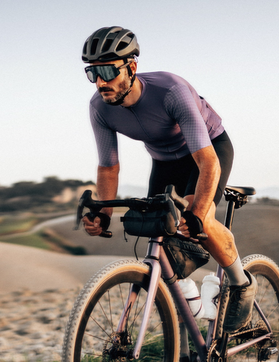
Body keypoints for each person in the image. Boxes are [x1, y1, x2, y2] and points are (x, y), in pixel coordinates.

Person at [78, 26, 256, 336]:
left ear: (131, 67)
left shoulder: (170, 91)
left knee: (199, 219)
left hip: (208, 150)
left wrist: (198, 209)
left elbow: (207, 161)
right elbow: (108, 169)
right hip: (164, 161)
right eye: (93, 73)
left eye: (108, 70)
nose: (101, 81)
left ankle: (241, 283)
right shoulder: (99, 108)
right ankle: (194, 312)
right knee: (156, 227)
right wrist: (102, 213)